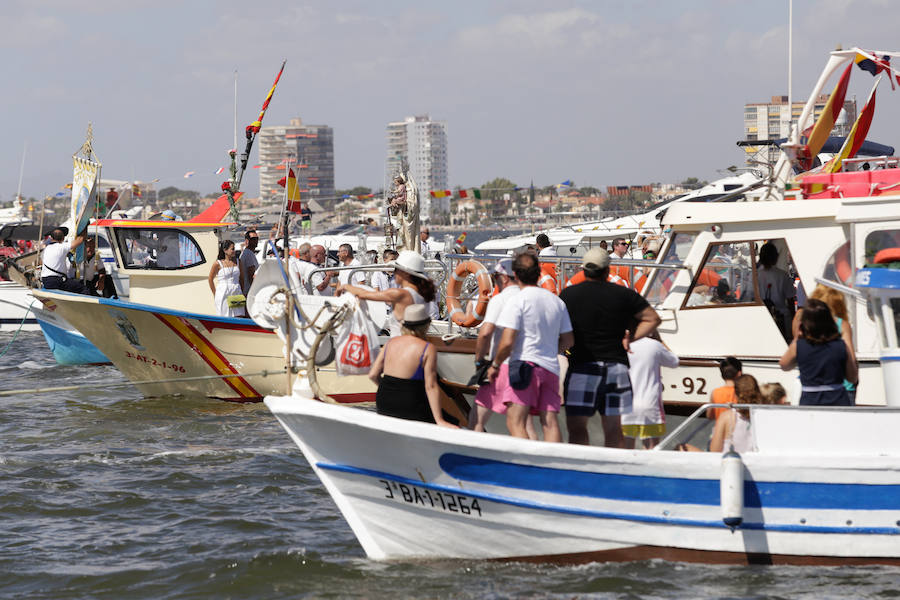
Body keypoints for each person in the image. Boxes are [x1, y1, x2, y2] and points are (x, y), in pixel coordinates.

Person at [559, 248, 662, 448]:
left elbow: (560, 328)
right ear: (607, 270)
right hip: (616, 367)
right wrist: (631, 338)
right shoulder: (623, 295)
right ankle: (613, 472)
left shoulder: (569, 295)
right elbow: (653, 318)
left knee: (577, 428)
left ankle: (581, 470)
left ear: (584, 270)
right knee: (614, 430)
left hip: (582, 365)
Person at [488, 252, 574, 442]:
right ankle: (551, 464)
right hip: (551, 367)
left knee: (515, 421)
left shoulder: (517, 301)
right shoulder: (557, 302)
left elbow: (508, 340)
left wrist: (495, 365)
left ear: (516, 275)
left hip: (524, 365)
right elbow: (568, 341)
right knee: (550, 421)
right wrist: (551, 350)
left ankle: (527, 463)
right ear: (538, 273)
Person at [368, 304, 458, 428]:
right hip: (410, 403)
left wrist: (390, 389)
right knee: (453, 422)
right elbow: (430, 386)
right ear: (426, 326)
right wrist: (439, 420)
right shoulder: (427, 348)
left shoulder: (390, 343)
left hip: (384, 401)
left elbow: (373, 375)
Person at [471, 258, 534, 435]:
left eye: (496, 276)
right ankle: (533, 459)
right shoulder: (529, 297)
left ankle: (473, 458)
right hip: (526, 365)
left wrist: (479, 361)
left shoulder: (500, 300)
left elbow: (485, 332)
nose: (495, 280)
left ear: (504, 278)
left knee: (477, 420)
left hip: (501, 366)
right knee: (525, 424)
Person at [339, 250, 436, 336]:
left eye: (396, 269)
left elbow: (364, 294)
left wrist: (345, 286)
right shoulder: (422, 291)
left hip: (399, 346)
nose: (394, 273)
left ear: (406, 273)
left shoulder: (400, 294)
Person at [780, 298, 857, 406]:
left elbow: (784, 365)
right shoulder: (840, 345)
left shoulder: (799, 346)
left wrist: (797, 337)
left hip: (811, 400)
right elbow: (852, 377)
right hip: (838, 398)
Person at [678, 374, 770, 453]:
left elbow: (714, 451)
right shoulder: (764, 416)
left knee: (680, 448)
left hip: (729, 464)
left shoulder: (727, 417)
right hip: (753, 462)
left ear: (736, 394)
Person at [622, 331, 679, 449]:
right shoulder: (654, 345)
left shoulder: (624, 345)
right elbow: (674, 361)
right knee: (651, 451)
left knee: (625, 451)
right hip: (650, 405)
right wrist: (660, 340)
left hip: (626, 405)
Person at [757, 241, 795, 340]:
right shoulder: (783, 275)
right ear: (775, 257)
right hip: (782, 320)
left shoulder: (754, 275)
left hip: (760, 320)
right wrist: (794, 320)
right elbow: (791, 300)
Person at [40, 227, 86, 293]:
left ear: (52, 238)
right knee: (83, 289)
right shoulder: (62, 247)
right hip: (57, 280)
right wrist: (85, 227)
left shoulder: (46, 249)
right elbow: (80, 239)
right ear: (63, 238)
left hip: (46, 281)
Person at [208, 240, 245, 317]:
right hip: (223, 293)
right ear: (225, 250)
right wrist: (215, 293)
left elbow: (242, 278)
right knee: (225, 316)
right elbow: (210, 279)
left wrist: (241, 291)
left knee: (239, 315)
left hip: (236, 292)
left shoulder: (238, 262)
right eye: (232, 249)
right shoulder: (218, 263)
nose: (234, 251)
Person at [707, 356, 742, 421]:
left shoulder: (715, 392)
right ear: (739, 373)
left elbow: (710, 416)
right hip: (740, 429)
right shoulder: (743, 392)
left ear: (722, 376)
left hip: (721, 429)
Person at [239, 229, 260, 295]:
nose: (256, 241)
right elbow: (251, 274)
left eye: (257, 238)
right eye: (253, 239)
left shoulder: (248, 253)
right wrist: (254, 291)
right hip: (249, 291)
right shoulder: (248, 254)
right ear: (247, 241)